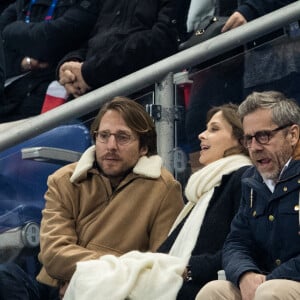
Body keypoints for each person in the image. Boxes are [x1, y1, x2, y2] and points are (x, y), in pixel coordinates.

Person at [61, 103, 252, 300]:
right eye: (104, 135)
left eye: (214, 129)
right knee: (94, 277)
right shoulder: (204, 188)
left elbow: (241, 246)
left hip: (198, 282)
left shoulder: (242, 178)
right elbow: (167, 252)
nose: (201, 135)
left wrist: (187, 269)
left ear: (240, 140)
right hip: (182, 278)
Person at [35, 96, 184, 298]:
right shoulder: (64, 180)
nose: (111, 145)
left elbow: (160, 268)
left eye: (122, 137)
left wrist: (88, 280)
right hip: (56, 287)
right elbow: (54, 253)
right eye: (104, 135)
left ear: (144, 147)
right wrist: (112, 269)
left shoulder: (164, 190)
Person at [196, 91, 300, 300]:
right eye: (248, 139)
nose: (254, 147)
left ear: (293, 135)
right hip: (266, 284)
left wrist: (269, 279)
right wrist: (245, 274)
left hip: (282, 284)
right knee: (213, 292)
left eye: (263, 136)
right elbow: (236, 242)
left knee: (270, 293)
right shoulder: (251, 181)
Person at [0, 0, 100, 122]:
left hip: (48, 102)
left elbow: (49, 41)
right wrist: (22, 62)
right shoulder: (23, 4)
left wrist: (10, 31)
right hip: (12, 97)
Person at [57, 0, 179, 99]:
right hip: (91, 95)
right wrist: (71, 65)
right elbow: (85, 39)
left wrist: (90, 71)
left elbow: (162, 40)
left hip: (143, 95)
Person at [184, 0, 244, 172]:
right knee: (196, 125)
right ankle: (202, 192)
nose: (204, 135)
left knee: (235, 123)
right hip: (209, 54)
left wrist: (251, 10)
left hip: (244, 52)